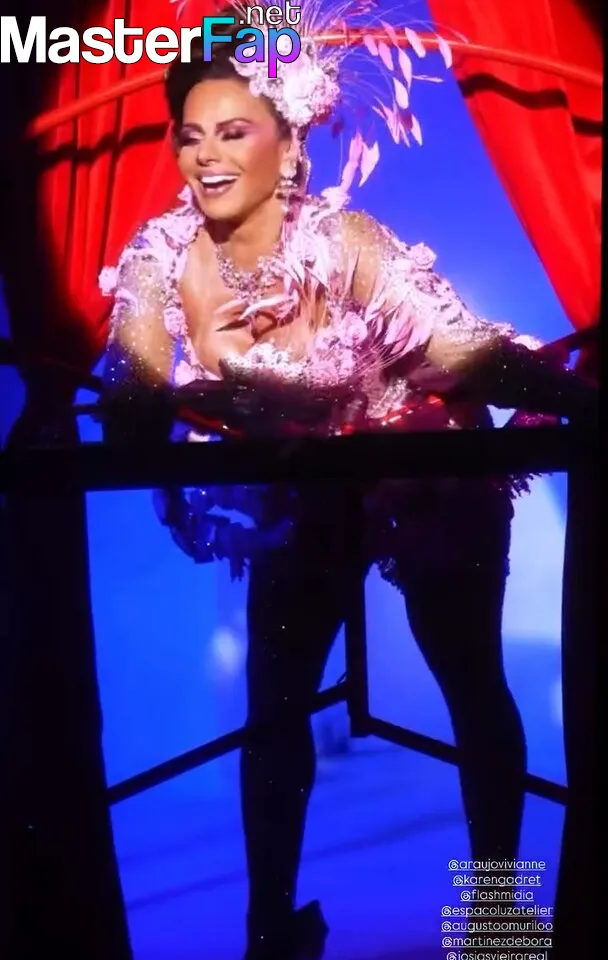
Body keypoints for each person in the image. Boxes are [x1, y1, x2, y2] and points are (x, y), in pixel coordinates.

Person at [99, 6, 595, 957]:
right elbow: (132, 395)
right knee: (275, 706)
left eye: (233, 131)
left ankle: (496, 924)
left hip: (420, 465)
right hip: (304, 488)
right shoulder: (160, 256)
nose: (206, 157)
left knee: (471, 684)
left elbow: (462, 354)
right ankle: (270, 932)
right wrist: (156, 380)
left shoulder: (345, 239)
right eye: (191, 136)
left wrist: (585, 402)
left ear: (289, 147)